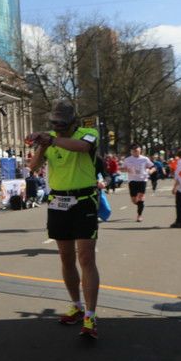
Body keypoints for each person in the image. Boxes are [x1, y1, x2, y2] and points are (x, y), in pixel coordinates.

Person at [26, 102, 105, 339]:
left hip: (84, 201)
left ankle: (90, 316)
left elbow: (83, 147)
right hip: (58, 202)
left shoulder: (88, 133)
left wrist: (51, 139)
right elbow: (33, 167)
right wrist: (42, 144)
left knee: (86, 258)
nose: (58, 132)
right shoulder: (50, 140)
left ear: (74, 124)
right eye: (55, 128)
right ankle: (76, 306)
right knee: (66, 257)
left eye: (63, 128)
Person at [122, 145, 155, 223]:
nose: (135, 150)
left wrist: (151, 171)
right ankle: (140, 204)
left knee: (141, 196)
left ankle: (139, 215)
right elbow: (121, 168)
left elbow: (153, 167)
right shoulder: (128, 159)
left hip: (142, 179)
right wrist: (126, 170)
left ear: (140, 150)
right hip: (132, 180)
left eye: (136, 148)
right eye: (133, 149)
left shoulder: (144, 159)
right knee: (134, 200)